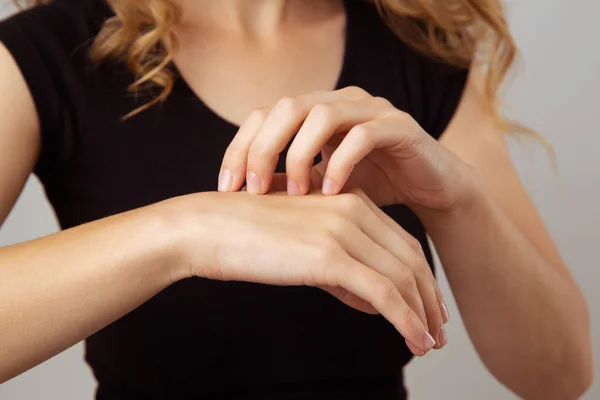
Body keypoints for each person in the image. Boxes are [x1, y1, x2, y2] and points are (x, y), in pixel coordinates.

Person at [0, 0, 593, 398]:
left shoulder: (421, 52)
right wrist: (186, 232)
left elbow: (560, 376)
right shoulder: (44, 53)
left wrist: (455, 200)